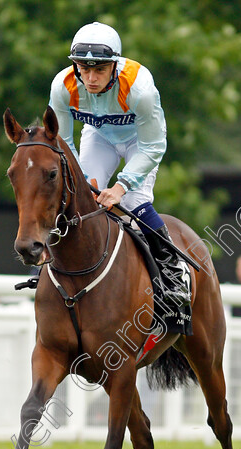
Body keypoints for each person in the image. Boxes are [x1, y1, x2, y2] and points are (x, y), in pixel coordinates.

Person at [49, 22, 190, 305]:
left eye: (99, 69)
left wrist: (121, 187)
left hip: (141, 142)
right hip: (99, 136)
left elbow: (154, 146)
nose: (90, 78)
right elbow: (62, 142)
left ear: (115, 65)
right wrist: (83, 181)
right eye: (84, 68)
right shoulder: (62, 87)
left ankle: (174, 270)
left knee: (135, 202)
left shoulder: (140, 89)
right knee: (79, 198)